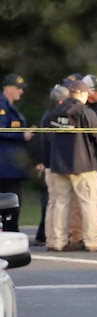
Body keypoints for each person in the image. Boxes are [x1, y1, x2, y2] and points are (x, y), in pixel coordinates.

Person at [45, 80, 97, 252]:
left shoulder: (54, 112)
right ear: (84, 94)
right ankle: (92, 242)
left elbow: (47, 136)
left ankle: (58, 241)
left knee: (61, 203)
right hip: (83, 164)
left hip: (59, 164)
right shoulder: (86, 112)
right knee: (88, 204)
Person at [64, 74, 97, 251]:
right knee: (81, 200)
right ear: (88, 92)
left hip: (96, 159)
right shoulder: (81, 109)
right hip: (84, 160)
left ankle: (95, 235)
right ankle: (77, 236)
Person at [34, 84, 70, 248]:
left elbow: (42, 142)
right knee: (58, 201)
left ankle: (49, 237)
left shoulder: (47, 116)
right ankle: (56, 237)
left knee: (52, 202)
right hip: (58, 163)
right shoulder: (60, 116)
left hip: (49, 163)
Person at [0, 73, 35, 232]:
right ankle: (9, 232)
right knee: (10, 200)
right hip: (4, 164)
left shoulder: (9, 106)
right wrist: (22, 135)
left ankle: (10, 230)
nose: (21, 91)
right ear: (7, 88)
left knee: (13, 200)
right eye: (18, 88)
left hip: (11, 164)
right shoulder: (1, 106)